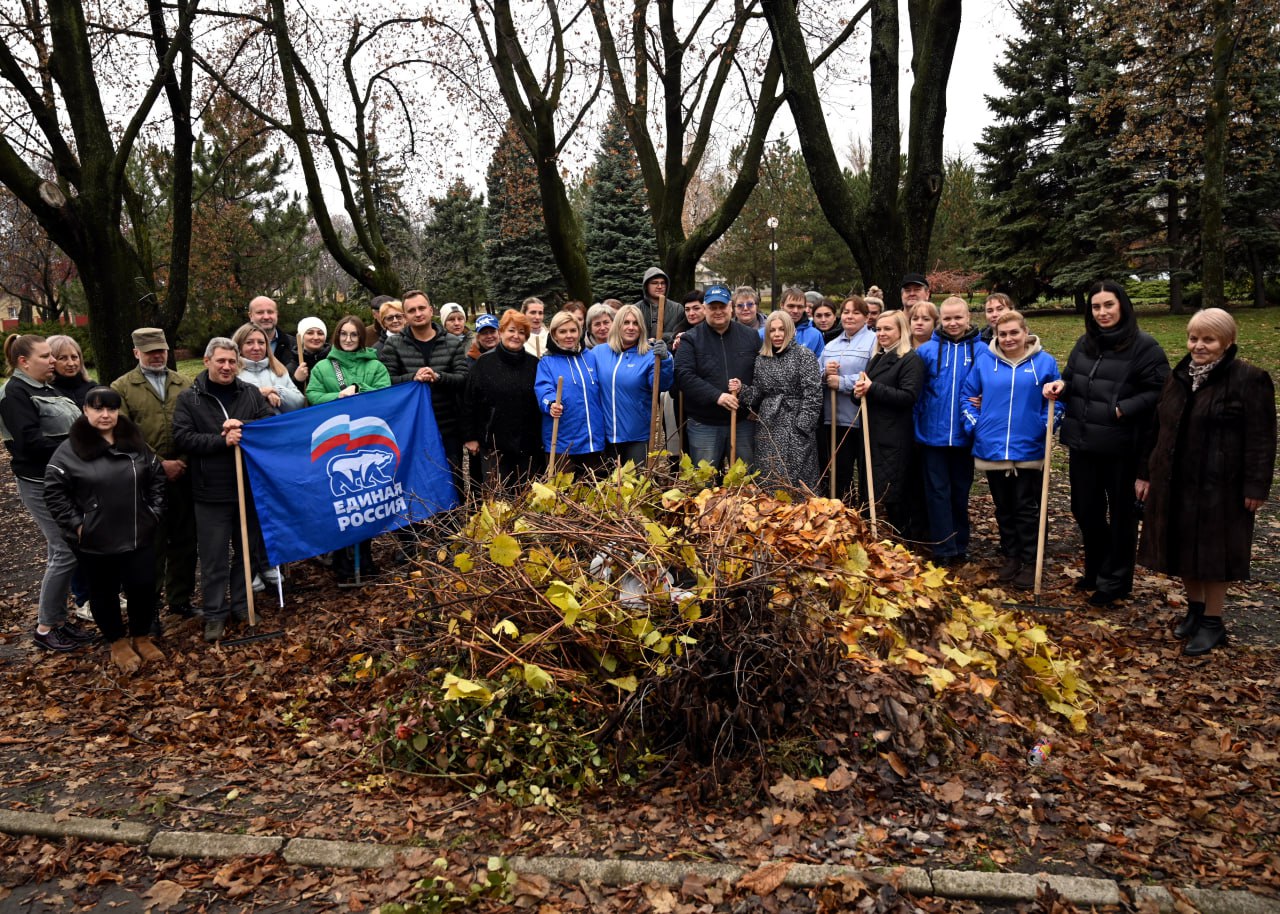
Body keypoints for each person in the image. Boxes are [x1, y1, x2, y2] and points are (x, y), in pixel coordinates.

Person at [1136, 308, 1275, 656]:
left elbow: (1262, 437)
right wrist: (1145, 471)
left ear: (1228, 343)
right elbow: (1159, 427)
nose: (1198, 346)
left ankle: (1214, 621)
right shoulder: (1178, 376)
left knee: (1214, 553)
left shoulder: (1249, 378)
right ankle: (1195, 610)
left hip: (1221, 487)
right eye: (1193, 338)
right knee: (1182, 546)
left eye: (1208, 339)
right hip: (1175, 481)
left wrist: (1256, 486)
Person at [1043, 281, 1169, 606]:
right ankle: (1096, 569)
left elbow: (1161, 391)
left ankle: (1115, 581)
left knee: (1122, 516)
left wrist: (1125, 407)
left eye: (1108, 305)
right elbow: (1072, 378)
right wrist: (1060, 385)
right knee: (1085, 510)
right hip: (1084, 443)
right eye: (1096, 307)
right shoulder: (1086, 344)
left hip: (1122, 446)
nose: (1102, 312)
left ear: (1122, 306)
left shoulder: (1145, 347)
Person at [44, 387, 166, 672]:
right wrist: (78, 524)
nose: (105, 414)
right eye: (98, 408)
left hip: (138, 530)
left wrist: (154, 513)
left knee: (143, 587)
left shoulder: (133, 440)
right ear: (85, 410)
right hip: (96, 537)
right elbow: (54, 491)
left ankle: (141, 636)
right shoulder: (70, 450)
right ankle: (117, 642)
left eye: (111, 408)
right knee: (103, 591)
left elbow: (156, 475)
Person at [172, 337, 274, 643]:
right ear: (207, 362)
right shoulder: (190, 398)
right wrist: (221, 440)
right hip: (210, 492)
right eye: (221, 361)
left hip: (248, 487)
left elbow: (269, 423)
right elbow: (182, 438)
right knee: (214, 557)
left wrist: (245, 426)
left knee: (247, 554)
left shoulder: (251, 393)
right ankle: (215, 613)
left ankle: (242, 605)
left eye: (232, 361)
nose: (227, 367)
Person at [2, 334, 93, 652]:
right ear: (23, 362)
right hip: (40, 484)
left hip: (64, 480)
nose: (53, 360)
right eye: (46, 356)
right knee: (64, 551)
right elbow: (29, 443)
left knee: (66, 550)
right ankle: (44, 628)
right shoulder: (14, 393)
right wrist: (78, 445)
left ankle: (58, 622)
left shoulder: (46, 388)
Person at [961, 311, 1061, 589]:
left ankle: (1031, 560)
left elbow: (1056, 401)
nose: (1008, 338)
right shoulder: (984, 362)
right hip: (992, 447)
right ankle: (1012, 555)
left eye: (1014, 332)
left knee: (1027, 508)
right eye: (1002, 334)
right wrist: (976, 426)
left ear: (1025, 332)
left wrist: (1044, 425)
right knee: (1003, 507)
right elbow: (967, 398)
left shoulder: (1044, 362)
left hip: (1028, 448)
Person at [111, 328, 198, 625]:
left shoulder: (185, 383)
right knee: (152, 546)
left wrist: (182, 461)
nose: (157, 356)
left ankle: (180, 600)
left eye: (161, 350)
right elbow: (123, 433)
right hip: (145, 478)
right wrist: (160, 464)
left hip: (185, 474)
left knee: (185, 541)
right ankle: (148, 610)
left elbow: (198, 424)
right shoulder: (122, 387)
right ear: (137, 353)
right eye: (150, 352)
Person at [306, 315, 392, 580]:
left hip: (367, 438)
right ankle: (342, 561)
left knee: (367, 500)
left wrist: (360, 388)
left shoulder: (375, 365)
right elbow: (312, 394)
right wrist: (337, 395)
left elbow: (385, 392)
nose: (348, 339)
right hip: (337, 441)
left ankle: (364, 557)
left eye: (354, 335)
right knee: (343, 503)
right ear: (336, 336)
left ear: (361, 338)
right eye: (344, 334)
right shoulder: (323, 367)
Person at [379, 289, 470, 493]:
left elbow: (464, 378)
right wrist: (413, 378)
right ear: (405, 315)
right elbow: (386, 381)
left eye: (421, 308)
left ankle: (455, 523)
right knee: (417, 481)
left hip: (448, 425)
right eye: (412, 310)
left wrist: (439, 377)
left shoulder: (452, 342)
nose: (418, 313)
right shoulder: (393, 344)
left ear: (431, 310)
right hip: (412, 426)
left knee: (453, 479)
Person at [914, 297, 982, 565]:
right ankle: (943, 548)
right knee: (937, 492)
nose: (953, 323)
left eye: (958, 318)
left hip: (965, 436)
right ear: (940, 319)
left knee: (960, 491)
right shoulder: (927, 351)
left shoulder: (983, 351)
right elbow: (917, 393)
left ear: (968, 317)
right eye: (948, 318)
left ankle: (961, 543)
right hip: (933, 435)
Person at [674, 284, 759, 474]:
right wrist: (717, 396)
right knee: (704, 481)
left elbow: (761, 374)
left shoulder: (751, 337)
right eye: (713, 307)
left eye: (722, 306)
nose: (718, 311)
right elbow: (683, 375)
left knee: (745, 479)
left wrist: (756, 403)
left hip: (743, 421)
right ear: (705, 309)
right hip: (705, 423)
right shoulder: (691, 339)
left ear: (730, 307)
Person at [854, 311, 924, 535]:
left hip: (894, 437)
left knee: (894, 495)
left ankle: (903, 542)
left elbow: (908, 396)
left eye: (887, 329)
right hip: (872, 433)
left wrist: (873, 388)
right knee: (871, 489)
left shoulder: (910, 360)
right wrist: (858, 393)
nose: (881, 334)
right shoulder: (878, 357)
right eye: (879, 329)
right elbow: (869, 393)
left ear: (901, 331)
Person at [737, 310, 823, 493]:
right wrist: (741, 390)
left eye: (781, 329)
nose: (777, 334)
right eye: (772, 330)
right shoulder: (762, 359)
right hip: (769, 425)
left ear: (790, 330)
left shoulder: (804, 355)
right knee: (770, 476)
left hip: (795, 425)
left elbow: (813, 395)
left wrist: (802, 426)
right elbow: (758, 394)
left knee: (799, 479)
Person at [463, 310, 546, 493]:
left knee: (526, 495)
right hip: (494, 443)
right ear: (501, 332)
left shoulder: (534, 364)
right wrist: (470, 437)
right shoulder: (484, 363)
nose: (516, 336)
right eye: (511, 330)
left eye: (521, 332)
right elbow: (470, 401)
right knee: (497, 498)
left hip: (527, 443)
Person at [586, 303, 674, 466]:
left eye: (636, 323)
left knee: (635, 484)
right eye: (626, 323)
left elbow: (661, 386)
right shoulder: (598, 353)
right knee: (608, 486)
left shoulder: (649, 355)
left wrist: (666, 360)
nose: (631, 327)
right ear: (617, 326)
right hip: (604, 435)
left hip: (637, 435)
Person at [820, 297, 877, 506]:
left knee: (864, 472)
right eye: (846, 312)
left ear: (866, 317)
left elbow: (874, 376)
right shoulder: (831, 345)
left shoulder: (874, 342)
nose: (850, 316)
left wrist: (841, 382)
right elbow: (817, 376)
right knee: (840, 473)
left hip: (861, 419)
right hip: (834, 419)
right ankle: (841, 512)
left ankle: (864, 514)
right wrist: (825, 374)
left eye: (856, 312)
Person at [535, 311, 605, 474]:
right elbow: (543, 390)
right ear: (554, 335)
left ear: (579, 332)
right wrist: (551, 403)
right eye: (563, 331)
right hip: (562, 439)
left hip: (592, 437)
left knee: (593, 491)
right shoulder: (547, 362)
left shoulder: (590, 357)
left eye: (573, 330)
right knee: (565, 491)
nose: (569, 336)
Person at [233, 323, 305, 412]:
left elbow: (299, 404)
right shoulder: (231, 373)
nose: (256, 347)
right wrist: (261, 393)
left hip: (279, 425)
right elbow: (231, 407)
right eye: (249, 342)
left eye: (261, 342)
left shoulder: (278, 370)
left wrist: (276, 390)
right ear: (239, 347)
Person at [635, 267, 686, 344]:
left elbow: (680, 333)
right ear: (646, 285)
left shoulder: (677, 309)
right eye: (654, 283)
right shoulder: (636, 309)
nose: (659, 287)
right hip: (641, 353)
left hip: (670, 353)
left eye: (662, 283)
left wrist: (659, 338)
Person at [247, 295, 297, 372]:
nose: (266, 317)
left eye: (270, 312)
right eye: (260, 312)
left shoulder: (294, 345)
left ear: (276, 314)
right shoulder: (237, 346)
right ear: (250, 315)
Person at [774, 286, 826, 357]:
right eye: (791, 306)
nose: (795, 311)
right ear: (782, 305)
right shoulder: (765, 333)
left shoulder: (815, 335)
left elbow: (820, 364)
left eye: (800, 307)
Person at [47, 335, 95, 406]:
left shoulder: (93, 388)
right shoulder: (46, 393)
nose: (71, 363)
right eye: (63, 358)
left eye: (74, 357)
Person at [291, 316, 331, 388]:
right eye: (310, 333)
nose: (316, 337)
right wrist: (296, 380)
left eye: (320, 333)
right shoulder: (292, 367)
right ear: (302, 337)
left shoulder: (333, 360)